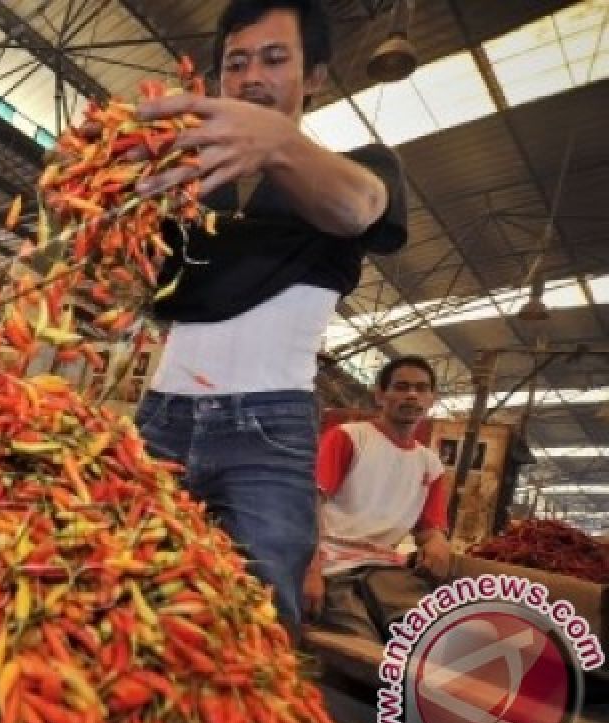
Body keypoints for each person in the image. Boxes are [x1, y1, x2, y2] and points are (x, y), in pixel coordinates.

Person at [132, 0, 409, 631]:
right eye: (237, 62)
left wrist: (280, 143)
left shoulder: (358, 167)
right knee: (125, 592)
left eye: (275, 58)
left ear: (314, 77)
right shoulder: (193, 183)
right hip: (162, 417)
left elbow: (361, 208)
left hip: (267, 427)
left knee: (253, 623)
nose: (251, 75)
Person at [303, 356, 451, 643]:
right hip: (333, 565)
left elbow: (431, 527)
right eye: (401, 387)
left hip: (385, 569)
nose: (412, 395)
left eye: (421, 389)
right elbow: (310, 503)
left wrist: (438, 540)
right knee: (361, 646)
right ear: (380, 395)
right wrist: (311, 571)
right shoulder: (349, 438)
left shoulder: (430, 465)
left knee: (430, 638)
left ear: (432, 399)